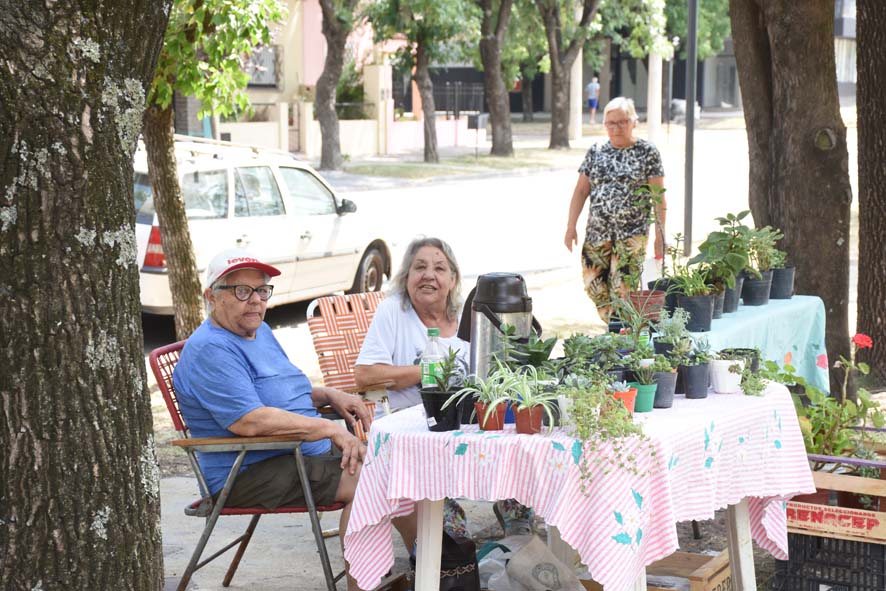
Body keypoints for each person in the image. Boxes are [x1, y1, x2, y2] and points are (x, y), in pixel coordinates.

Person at [173, 248, 416, 591]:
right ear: (212, 296)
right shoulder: (212, 349)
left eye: (262, 290)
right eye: (242, 291)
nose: (255, 301)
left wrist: (329, 394)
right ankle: (365, 585)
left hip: (296, 454)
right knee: (370, 480)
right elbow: (250, 421)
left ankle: (432, 563)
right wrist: (328, 428)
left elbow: (282, 391)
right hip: (249, 469)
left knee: (401, 464)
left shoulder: (258, 330)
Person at [563, 96, 666, 324]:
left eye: (622, 122)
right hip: (597, 232)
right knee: (594, 285)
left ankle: (621, 333)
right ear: (605, 125)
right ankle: (617, 325)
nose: (617, 127)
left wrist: (660, 236)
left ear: (634, 122)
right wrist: (571, 226)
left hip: (632, 234)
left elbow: (658, 197)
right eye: (611, 123)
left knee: (622, 289)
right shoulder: (596, 151)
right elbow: (581, 191)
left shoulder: (647, 152)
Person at [354, 236, 469, 412]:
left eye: (439, 268)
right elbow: (365, 375)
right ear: (407, 276)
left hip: (461, 421)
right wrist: (428, 371)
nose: (429, 275)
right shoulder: (392, 310)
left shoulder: (465, 312)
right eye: (420, 267)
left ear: (452, 280)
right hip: (403, 423)